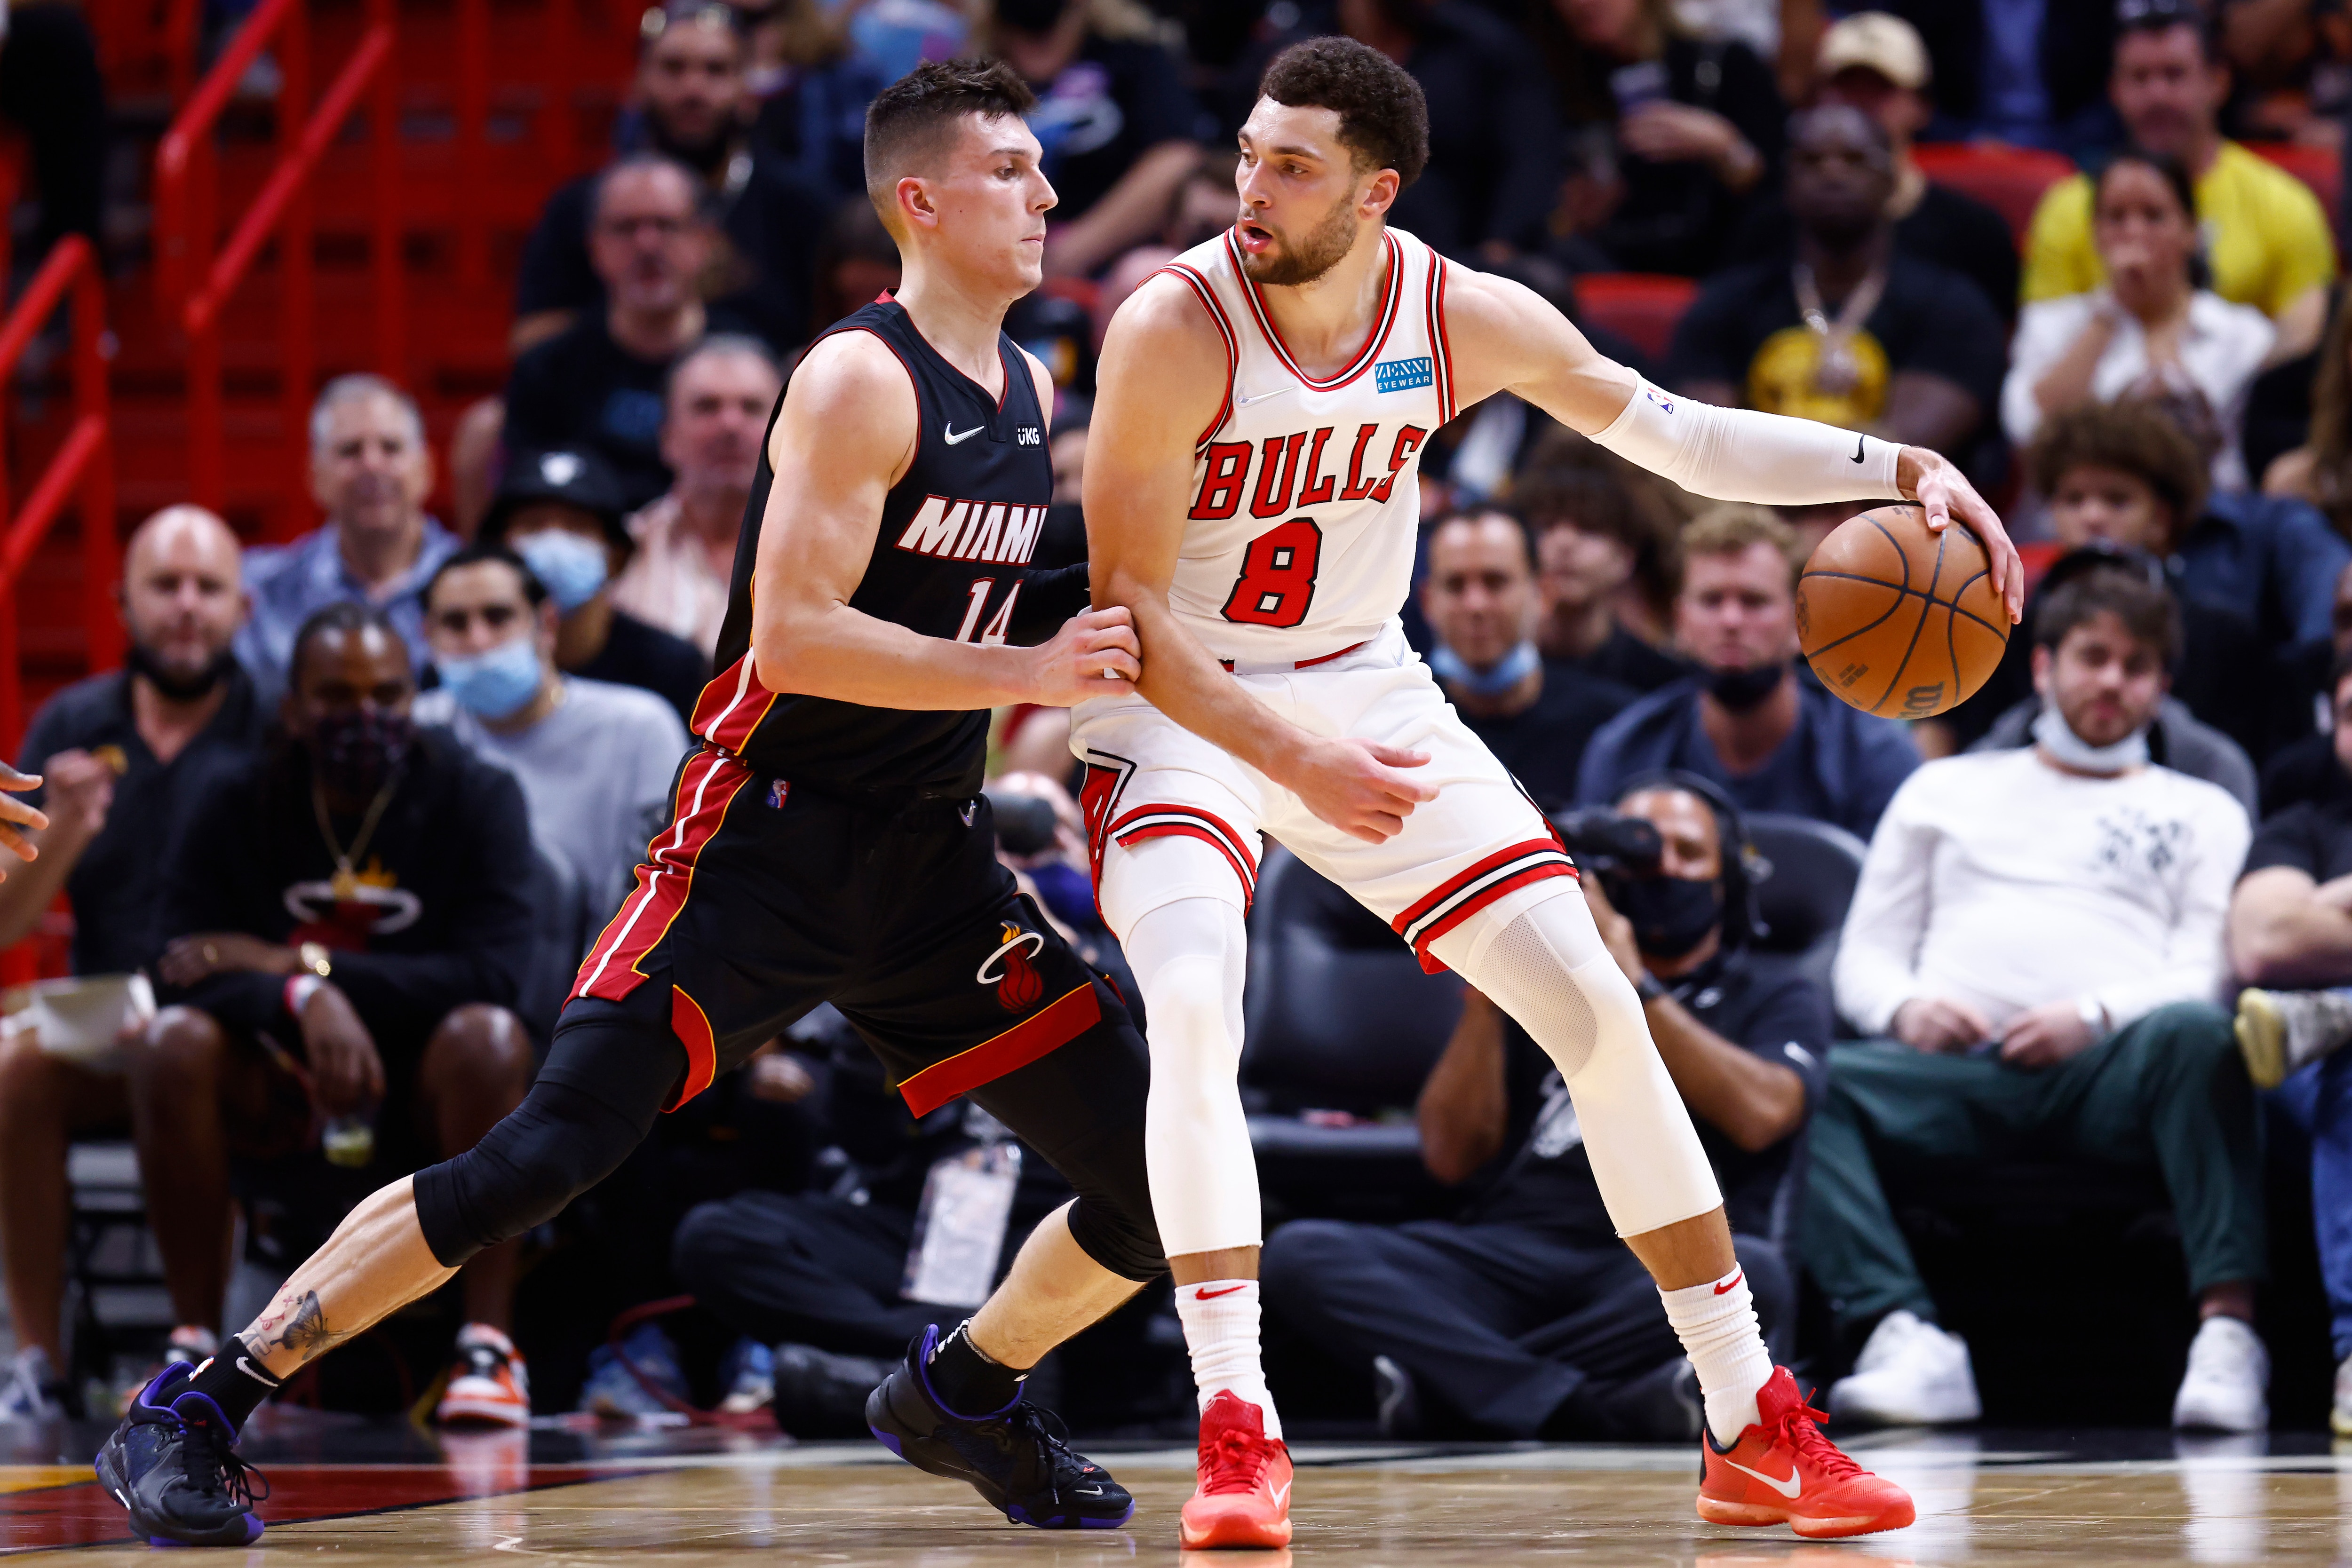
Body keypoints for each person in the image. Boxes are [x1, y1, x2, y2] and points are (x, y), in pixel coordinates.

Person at [96, 60, 1172, 1549]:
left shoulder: (1033, 383)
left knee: (1160, 1175)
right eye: (1011, 170)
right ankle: (199, 1399)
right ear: (918, 200)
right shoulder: (858, 377)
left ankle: (966, 1388)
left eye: (1043, 170)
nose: (1048, 193)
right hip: (762, 846)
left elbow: (980, 598)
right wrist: (1029, 660)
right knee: (540, 1157)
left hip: (929, 867)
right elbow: (790, 639)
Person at [1083, 34, 2023, 1546]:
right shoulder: (1170, 324)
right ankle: (1234, 1425)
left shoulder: (1456, 312)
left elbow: (1674, 434)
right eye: (1249, 152)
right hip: (1184, 700)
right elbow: (1129, 618)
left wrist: (1890, 464)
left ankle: (1744, 1417)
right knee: (1196, 998)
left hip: (1363, 680)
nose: (1251, 186)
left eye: (1294, 165)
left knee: (1591, 1000)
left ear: (1376, 191)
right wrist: (1287, 755)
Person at [1813, 566, 2265, 1433]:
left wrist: (2092, 1015)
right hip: (1952, 1072)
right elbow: (1865, 957)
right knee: (1808, 1086)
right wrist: (1907, 1009)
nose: (2111, 680)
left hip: (2116, 1076)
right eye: (2093, 656)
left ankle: (2229, 1334)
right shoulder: (1944, 787)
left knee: (2204, 1033)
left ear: (2163, 687)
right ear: (2043, 666)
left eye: (2137, 666)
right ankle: (1901, 1330)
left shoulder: (2202, 807)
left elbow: (2211, 967)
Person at [1263, 779, 1824, 1442]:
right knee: (1300, 1253)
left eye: (1688, 853)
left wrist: (1630, 984)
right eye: (1642, 854)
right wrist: (1489, 993)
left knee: (1757, 1272)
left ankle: (1468, 1386)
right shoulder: (1546, 977)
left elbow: (1764, 1112)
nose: (1662, 868)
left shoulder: (1770, 990)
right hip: (1512, 1252)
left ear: (1725, 881)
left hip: (1653, 1263)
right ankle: (1590, 1406)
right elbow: (1449, 1154)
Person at [146, 605, 544, 1429]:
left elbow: (497, 973)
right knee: (171, 1043)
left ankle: (490, 1343)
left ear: (416, 698)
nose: (366, 715)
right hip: (280, 1078)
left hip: (432, 1087)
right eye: (336, 695)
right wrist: (300, 998)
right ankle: (188, 1341)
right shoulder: (231, 792)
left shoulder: (478, 792)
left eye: (388, 693)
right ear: (292, 707)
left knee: (490, 1037)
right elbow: (178, 964)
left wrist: (306, 965)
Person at [0, 508, 266, 1418]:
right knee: (16, 1069)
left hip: (238, 1030)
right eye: (164, 586)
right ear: (122, 602)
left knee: (180, 1047)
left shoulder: (276, 722)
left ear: (244, 604)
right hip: (109, 1027)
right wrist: (67, 830)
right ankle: (37, 1358)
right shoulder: (72, 721)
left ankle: (204, 1348)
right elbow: (4, 925)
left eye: (207, 588)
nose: (186, 607)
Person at [1942, 399, 2339, 766]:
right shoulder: (2008, 627)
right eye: (2074, 500)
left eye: (2117, 500)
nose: (2093, 517)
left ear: (2161, 520)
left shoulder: (2221, 637)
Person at [1669, 105, 2005, 459]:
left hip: (1894, 511)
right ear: (1787, 180)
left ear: (1892, 179)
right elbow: (1707, 446)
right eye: (1812, 160)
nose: (1832, 172)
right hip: (1755, 510)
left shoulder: (1953, 308)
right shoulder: (1726, 304)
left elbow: (1901, 456)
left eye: (1856, 159)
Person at [1578, 506, 1922, 839]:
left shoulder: (1871, 753)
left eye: (1754, 601)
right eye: (1711, 600)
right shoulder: (1625, 753)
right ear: (1681, 621)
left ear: (1801, 624)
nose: (1731, 621)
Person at [511, 0, 830, 356]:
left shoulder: (805, 209)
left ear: (748, 95)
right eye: (673, 68)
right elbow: (532, 343)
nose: (693, 89)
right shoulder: (580, 207)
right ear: (637, 86)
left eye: (716, 70)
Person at [2023, 0, 2336, 361]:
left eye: (2174, 75)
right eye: (2139, 78)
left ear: (2218, 82)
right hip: (2096, 409)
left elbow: (2306, 352)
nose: (2158, 96)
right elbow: (2040, 357)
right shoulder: (2068, 207)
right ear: (2115, 91)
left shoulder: (2284, 205)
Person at [415, 544, 691, 920]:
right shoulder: (416, 731)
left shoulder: (641, 727)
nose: (477, 640)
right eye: (455, 623)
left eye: (498, 617)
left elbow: (671, 890)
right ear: (427, 635)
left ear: (546, 624)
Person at [2229, 657, 2352, 1438]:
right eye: (2349, 713)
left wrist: (2333, 906)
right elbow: (2267, 937)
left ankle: (2338, 1007)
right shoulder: (2303, 824)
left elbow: (2306, 923)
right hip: (2312, 1080)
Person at [2004, 146, 2279, 490]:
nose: (2134, 232)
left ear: (2192, 232)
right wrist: (2108, 317)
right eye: (2116, 217)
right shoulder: (2052, 322)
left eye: (2154, 216)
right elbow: (2028, 428)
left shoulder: (2245, 334)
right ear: (2095, 233)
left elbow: (2233, 457)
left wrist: (2163, 334)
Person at [1733, 12, 2019, 324]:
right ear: (1815, 101)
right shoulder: (1769, 227)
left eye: (1880, 89)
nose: (1859, 105)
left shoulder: (1975, 233)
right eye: (1844, 87)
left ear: (1922, 107)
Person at [505, 156, 751, 513]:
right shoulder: (547, 370)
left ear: (704, 241)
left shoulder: (751, 366)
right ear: (595, 247)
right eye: (625, 228)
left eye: (666, 225)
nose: (647, 245)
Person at [237, 377, 460, 701]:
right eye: (350, 451)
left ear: (427, 469)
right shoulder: (261, 592)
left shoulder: (480, 586)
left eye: (391, 448)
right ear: (315, 476)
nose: (372, 465)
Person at [1531, 0, 1786, 278]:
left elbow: (1778, 191)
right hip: (1609, 274)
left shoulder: (1724, 64)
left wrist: (1723, 146)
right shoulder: (1560, 85)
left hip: (1721, 272)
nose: (1581, 4)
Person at [1419, 508, 1632, 813]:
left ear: (1543, 593)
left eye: (1495, 582)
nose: (1476, 605)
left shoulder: (1614, 729)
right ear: (1427, 602)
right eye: (1455, 585)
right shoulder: (1396, 724)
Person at [476, 448, 711, 723]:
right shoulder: (467, 662)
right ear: (498, 551)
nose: (555, 544)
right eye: (532, 526)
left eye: (577, 527)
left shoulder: (672, 667)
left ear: (617, 556)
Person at [981, 0, 1208, 279]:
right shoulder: (976, 69)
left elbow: (1175, 158)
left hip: (1107, 264)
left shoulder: (1133, 54)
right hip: (997, 263)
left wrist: (1073, 250)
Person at [1336, 0, 1560, 259]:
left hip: (1461, 253)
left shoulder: (1479, 50)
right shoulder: (1313, 52)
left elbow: (1530, 155)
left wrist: (1503, 244)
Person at [612, 336, 786, 655]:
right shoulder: (618, 557)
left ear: (786, 432)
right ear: (667, 438)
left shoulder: (833, 555)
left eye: (752, 408)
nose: (731, 425)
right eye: (707, 407)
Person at [1517, 464, 1691, 693]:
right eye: (1546, 527)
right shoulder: (1489, 666)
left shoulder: (1663, 683)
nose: (1564, 543)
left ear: (1627, 556)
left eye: (1589, 528)